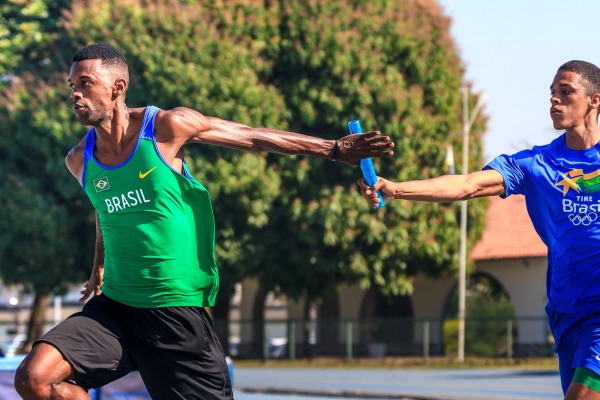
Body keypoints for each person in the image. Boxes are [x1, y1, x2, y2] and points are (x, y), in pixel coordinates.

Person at [13, 42, 393, 400]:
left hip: (176, 314)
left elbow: (251, 137)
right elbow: (105, 207)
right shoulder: (79, 159)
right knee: (35, 378)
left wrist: (333, 148)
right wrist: (99, 264)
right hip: (116, 308)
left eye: (85, 83)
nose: (75, 94)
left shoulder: (165, 127)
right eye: (71, 85)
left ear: (117, 87)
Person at [359, 60, 600, 399]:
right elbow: (468, 184)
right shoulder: (536, 164)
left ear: (594, 100)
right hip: (565, 309)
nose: (554, 101)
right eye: (551, 94)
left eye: (565, 92)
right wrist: (397, 188)